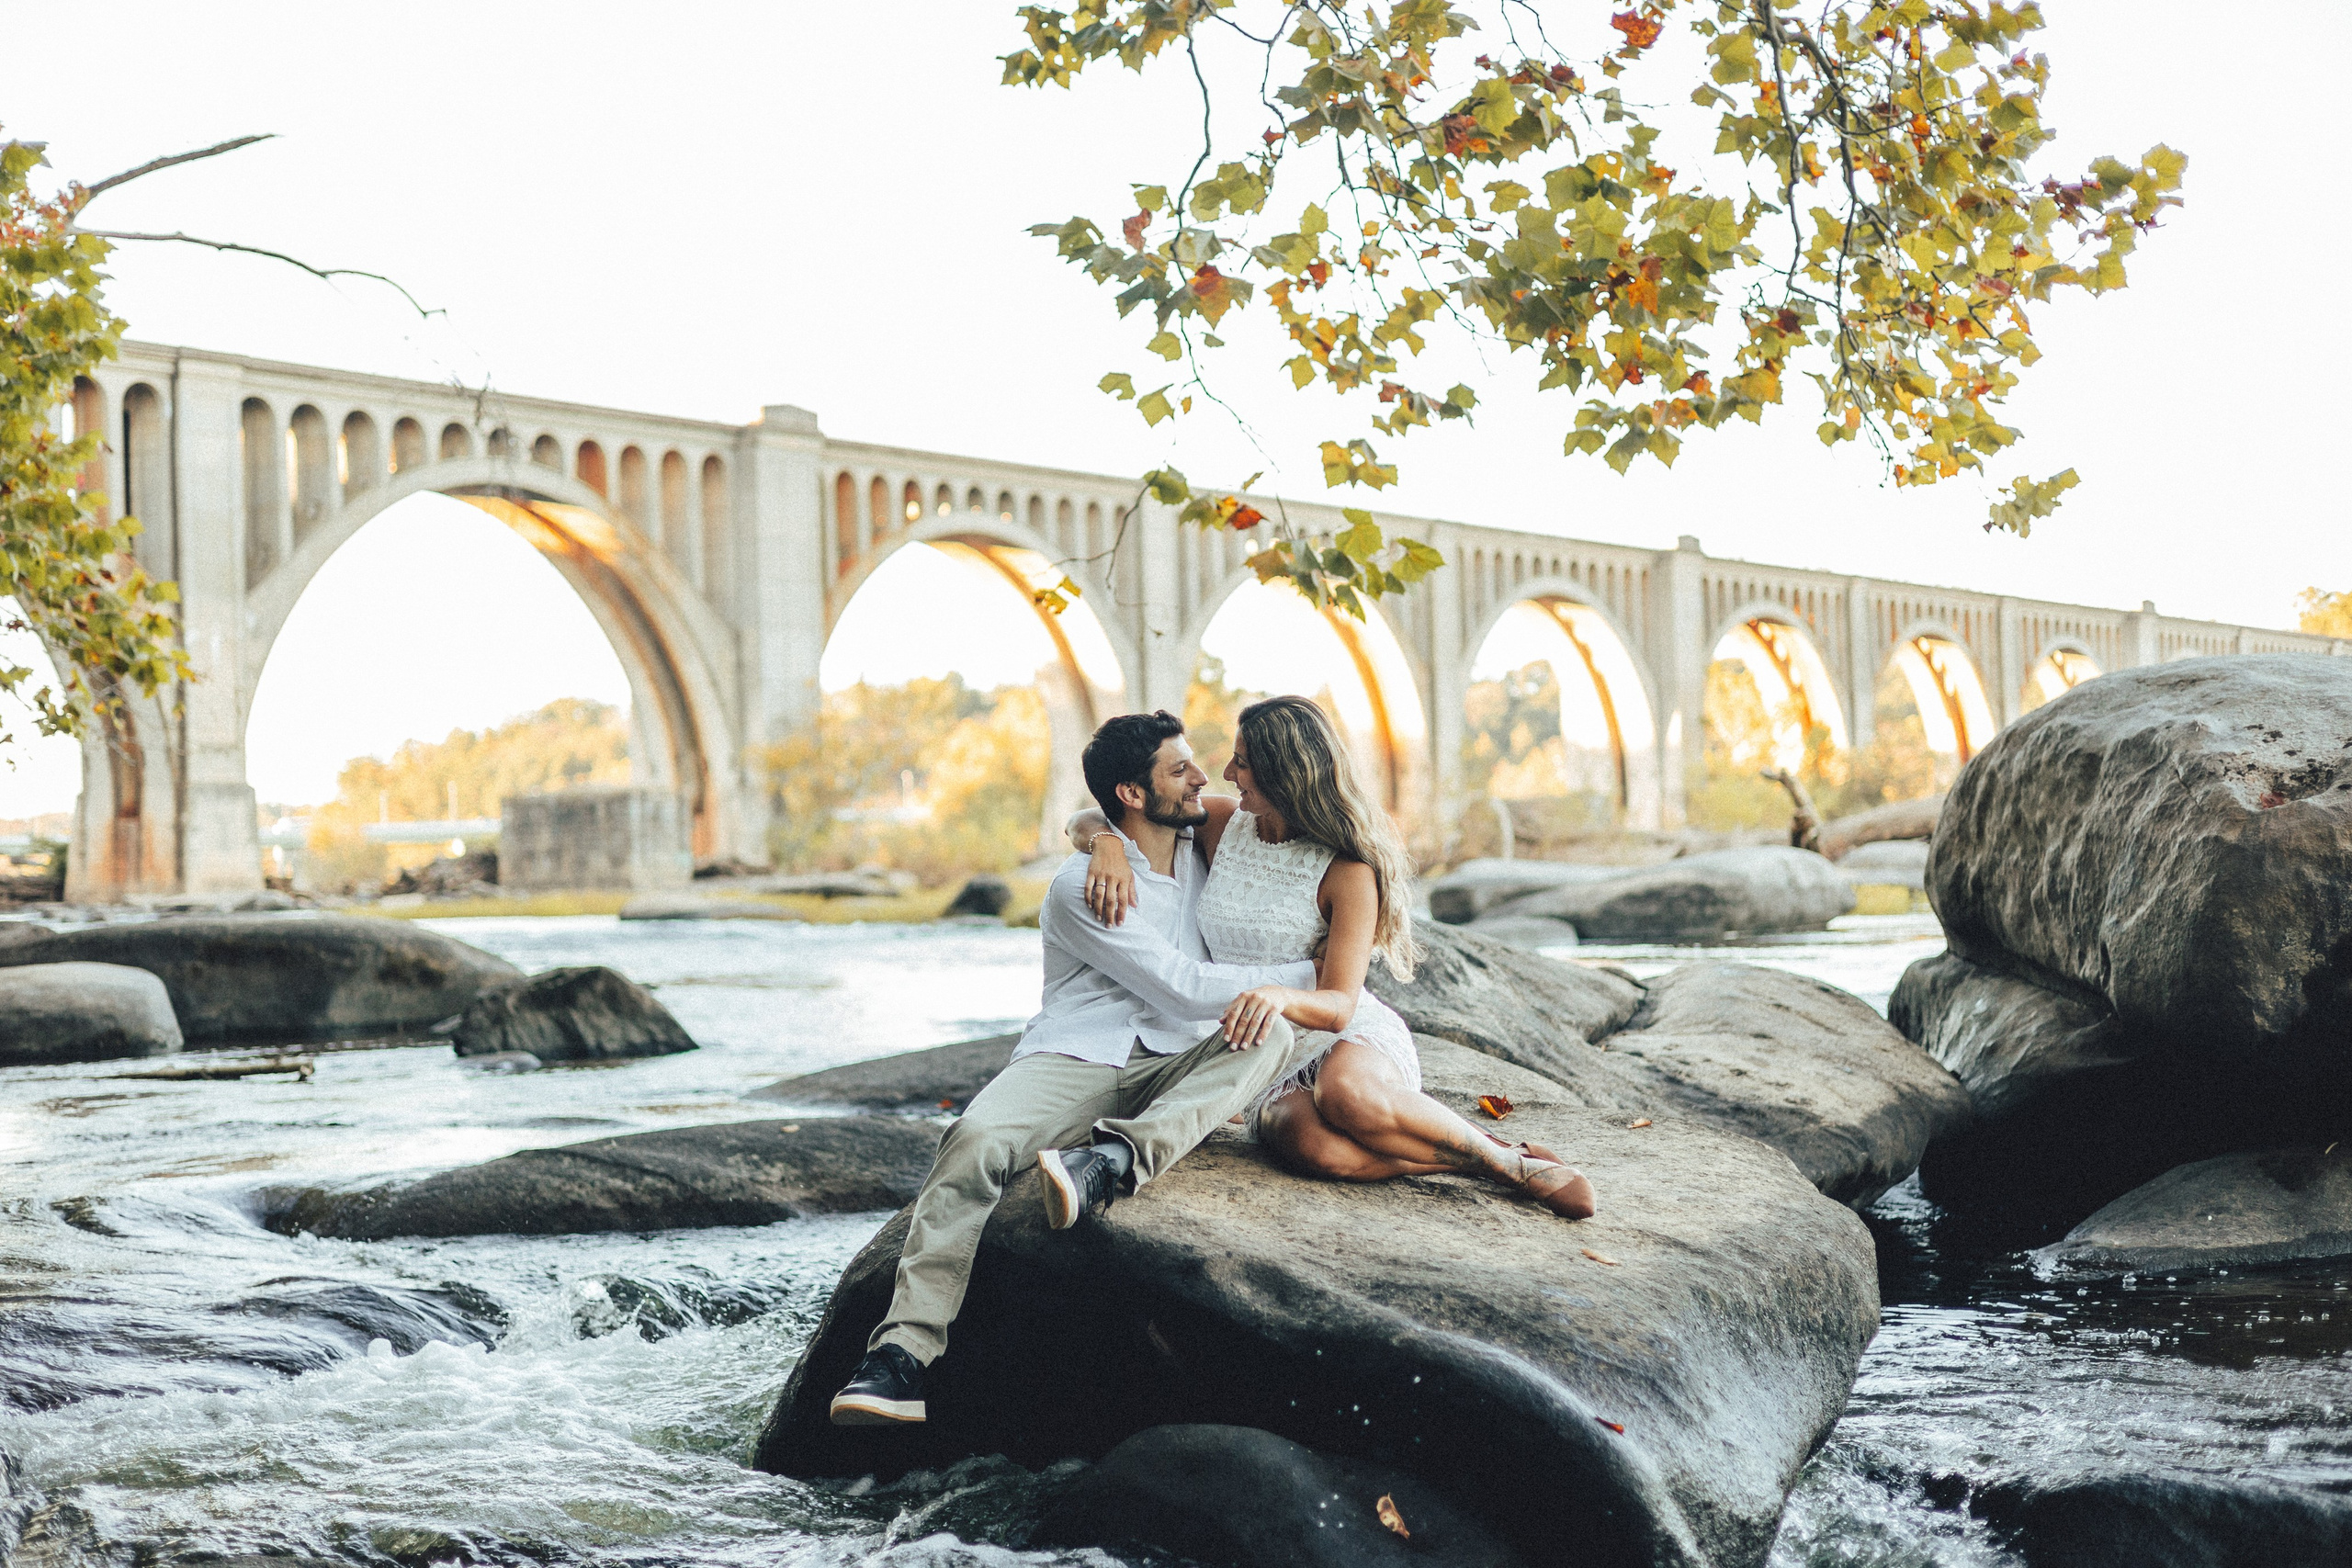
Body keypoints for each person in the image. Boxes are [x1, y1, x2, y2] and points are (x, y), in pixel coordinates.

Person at [827, 709, 1329, 1427]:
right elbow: (1181, 983)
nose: (1202, 778)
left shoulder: (1200, 845)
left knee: (1273, 1030)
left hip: (1180, 1056)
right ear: (1131, 791)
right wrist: (1310, 971)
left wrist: (1097, 832)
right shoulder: (1077, 886)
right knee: (973, 1140)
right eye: (1179, 769)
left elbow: (1089, 814)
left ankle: (1117, 1158)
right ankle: (899, 1357)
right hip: (1078, 1054)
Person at [1072, 694, 1597, 1213]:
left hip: (1339, 1030)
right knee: (1310, 1146)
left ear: (1285, 775)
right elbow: (1097, 812)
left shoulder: (1348, 871)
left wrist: (1277, 994)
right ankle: (1478, 1155)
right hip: (1260, 1044)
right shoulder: (1219, 822)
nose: (1226, 773)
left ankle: (1510, 1166)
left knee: (1344, 1095)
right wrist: (1107, 845)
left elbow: (1340, 1004)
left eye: (1244, 763)